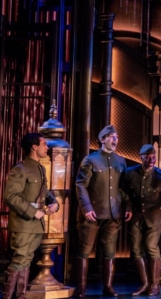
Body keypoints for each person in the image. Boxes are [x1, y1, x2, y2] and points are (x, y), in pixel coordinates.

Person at [73, 125, 133, 298]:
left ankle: (108, 287)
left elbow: (123, 188)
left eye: (117, 137)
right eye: (111, 137)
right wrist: (86, 208)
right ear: (102, 139)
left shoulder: (120, 161)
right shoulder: (90, 160)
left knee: (110, 252)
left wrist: (127, 206)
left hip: (113, 215)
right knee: (84, 250)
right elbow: (81, 185)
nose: (115, 140)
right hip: (92, 214)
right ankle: (81, 289)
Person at [2, 133, 59, 299]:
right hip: (23, 224)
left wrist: (54, 202)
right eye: (44, 144)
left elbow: (44, 191)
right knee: (19, 259)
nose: (47, 147)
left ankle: (21, 295)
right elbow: (10, 196)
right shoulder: (21, 169)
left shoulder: (39, 168)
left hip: (35, 224)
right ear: (34, 147)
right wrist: (34, 212)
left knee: (26, 260)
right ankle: (7, 296)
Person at [122, 144, 161, 296]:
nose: (151, 160)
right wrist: (128, 207)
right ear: (141, 157)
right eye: (148, 157)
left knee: (151, 245)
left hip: (155, 215)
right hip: (136, 215)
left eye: (153, 157)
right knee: (135, 249)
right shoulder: (130, 173)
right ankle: (145, 283)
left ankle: (155, 284)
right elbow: (125, 193)